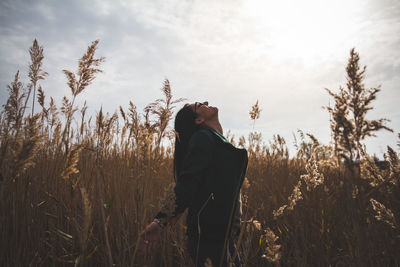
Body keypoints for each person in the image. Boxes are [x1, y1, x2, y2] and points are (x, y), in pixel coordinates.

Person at [138, 101, 248, 267]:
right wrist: (160, 221)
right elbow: (187, 184)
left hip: (220, 238)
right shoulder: (203, 137)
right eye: (199, 105)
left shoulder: (213, 140)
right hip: (210, 240)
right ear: (198, 120)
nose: (205, 102)